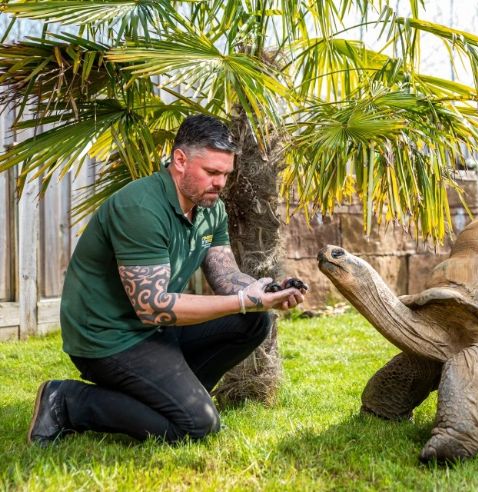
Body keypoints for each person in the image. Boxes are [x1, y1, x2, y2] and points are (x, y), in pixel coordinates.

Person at [28, 114, 306, 446]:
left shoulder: (210, 207)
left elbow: (225, 274)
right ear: (180, 160)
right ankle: (67, 401)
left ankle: (171, 399)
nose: (220, 183)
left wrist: (267, 291)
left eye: (226, 174)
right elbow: (152, 307)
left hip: (157, 331)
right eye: (211, 172)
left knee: (254, 321)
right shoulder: (140, 207)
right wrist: (243, 301)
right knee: (197, 426)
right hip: (109, 338)